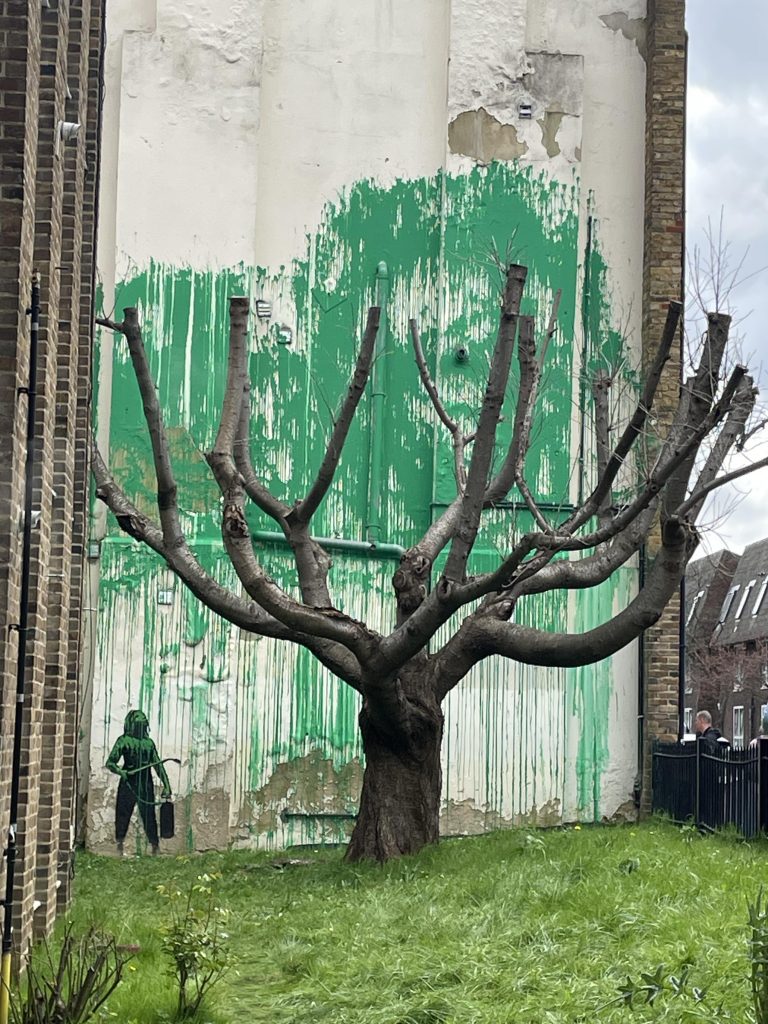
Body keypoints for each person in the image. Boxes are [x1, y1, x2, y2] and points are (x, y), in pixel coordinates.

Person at [106, 709, 171, 856]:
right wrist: (121, 772)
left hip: (145, 784)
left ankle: (155, 846)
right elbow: (110, 762)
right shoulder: (123, 741)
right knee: (123, 814)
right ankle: (120, 845)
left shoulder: (148, 743)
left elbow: (158, 765)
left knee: (149, 816)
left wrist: (167, 784)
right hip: (128, 782)